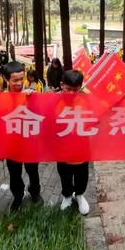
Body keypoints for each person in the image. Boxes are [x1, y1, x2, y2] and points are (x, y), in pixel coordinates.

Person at [3, 61, 42, 211]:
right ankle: (18, 196)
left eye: (21, 79)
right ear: (7, 80)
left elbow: (41, 114)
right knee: (15, 173)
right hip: (12, 145)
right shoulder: (1, 97)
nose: (19, 83)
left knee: (33, 171)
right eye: (15, 80)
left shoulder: (31, 94)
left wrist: (33, 99)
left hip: (30, 143)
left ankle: (35, 192)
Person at [57, 70, 90, 215]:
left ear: (81, 88)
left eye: (75, 90)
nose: (71, 93)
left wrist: (92, 98)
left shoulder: (86, 101)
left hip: (82, 148)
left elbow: (98, 118)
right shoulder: (53, 100)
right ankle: (67, 196)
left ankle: (79, 195)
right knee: (65, 175)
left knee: (82, 176)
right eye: (68, 89)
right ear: (61, 85)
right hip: (62, 149)